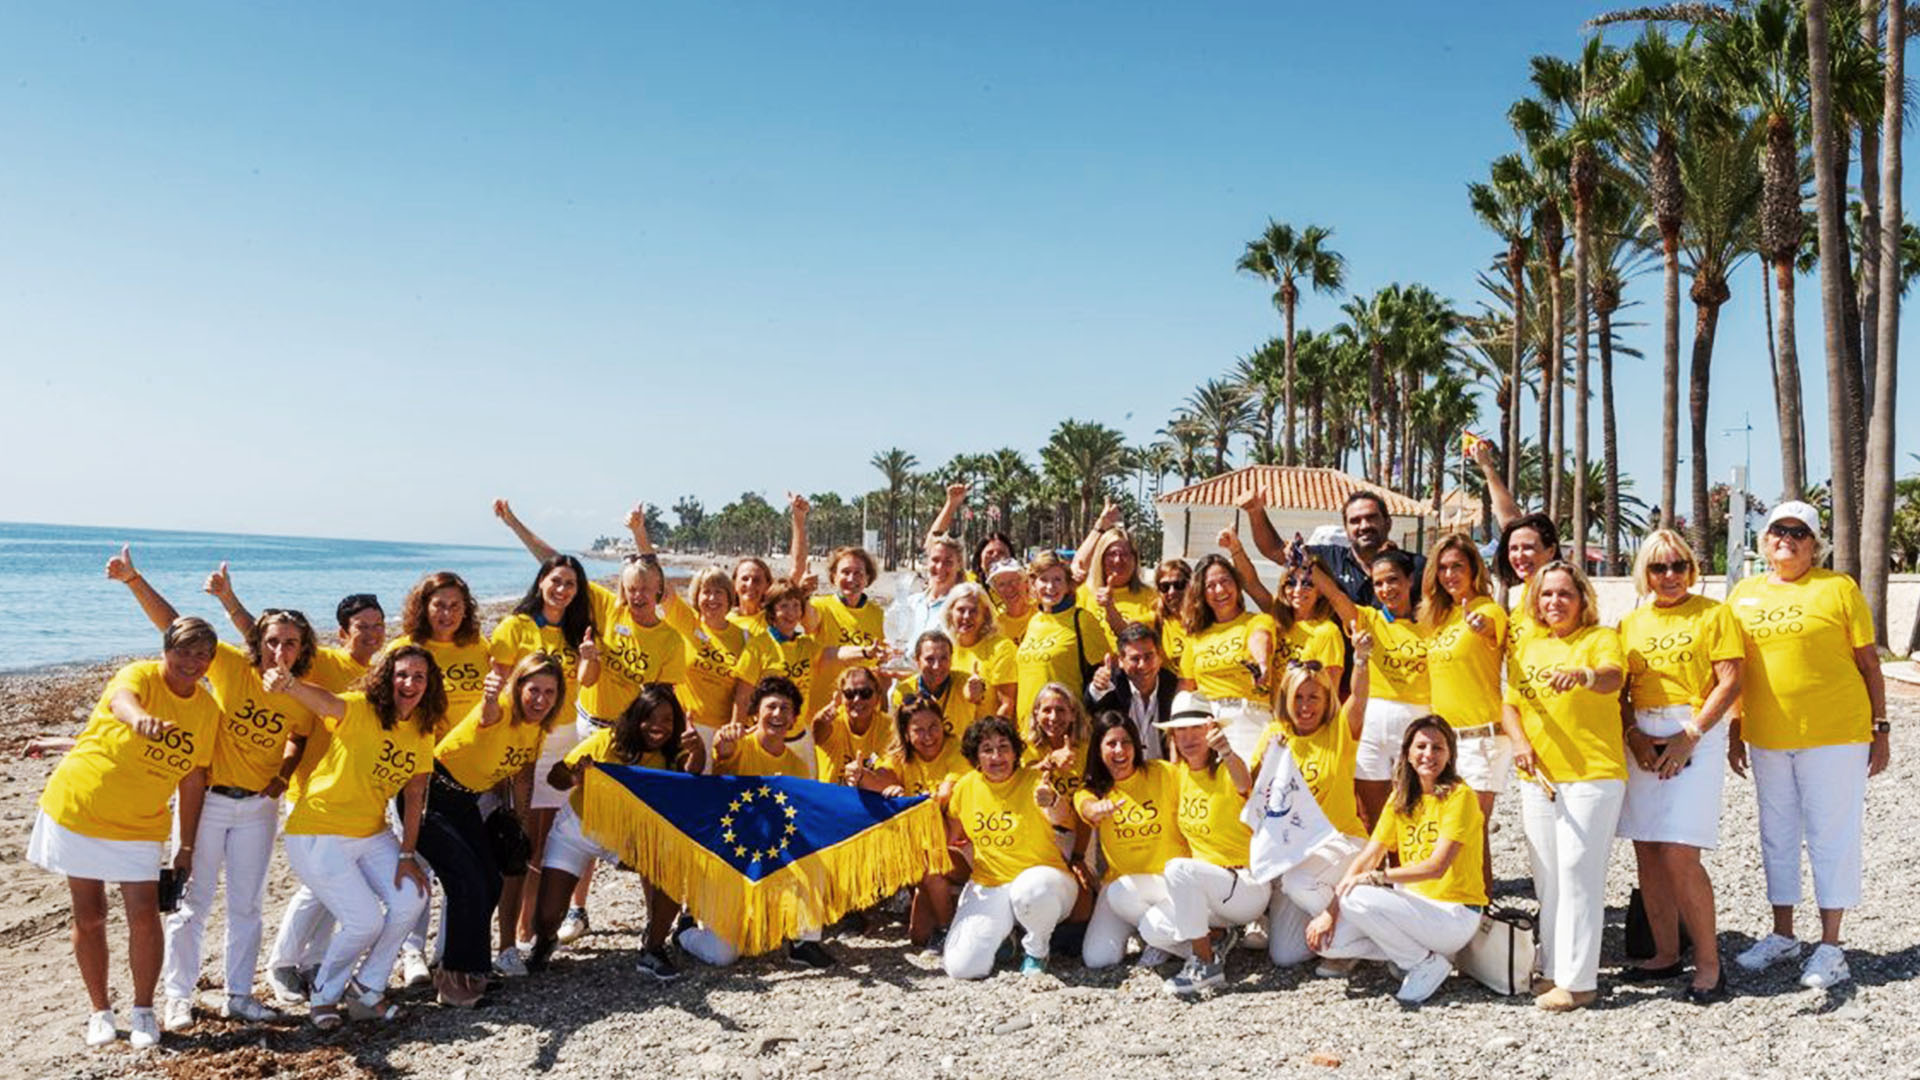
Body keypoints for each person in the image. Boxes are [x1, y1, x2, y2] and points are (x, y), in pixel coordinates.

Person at [104, 545, 313, 1029]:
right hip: (208, 800)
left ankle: (239, 995)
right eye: (273, 641)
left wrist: (283, 774)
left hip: (257, 810)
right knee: (191, 902)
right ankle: (178, 997)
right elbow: (177, 629)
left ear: (302, 649)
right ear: (259, 643)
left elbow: (299, 737)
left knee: (247, 904)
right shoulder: (232, 670)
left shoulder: (299, 697)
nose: (280, 650)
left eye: (290, 643)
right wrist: (135, 580)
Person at [30, 617, 220, 1050]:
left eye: (203, 655)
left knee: (144, 916)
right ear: (166, 651)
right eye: (184, 651)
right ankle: (99, 1011)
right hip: (81, 807)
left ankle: (143, 1011)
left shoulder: (206, 711)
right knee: (91, 914)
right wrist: (141, 721)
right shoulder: (140, 675)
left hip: (139, 822)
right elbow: (122, 702)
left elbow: (193, 780)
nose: (192, 662)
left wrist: (185, 846)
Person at [1725, 501, 1889, 991]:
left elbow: (1869, 664)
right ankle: (1783, 935)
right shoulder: (1744, 594)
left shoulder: (1838, 589)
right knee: (1776, 833)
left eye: (1800, 532)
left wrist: (1880, 728)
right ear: (1765, 539)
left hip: (1835, 735)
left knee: (1829, 834)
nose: (1788, 539)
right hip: (1768, 737)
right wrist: (1735, 729)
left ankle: (1831, 945)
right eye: (1779, 529)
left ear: (1815, 545)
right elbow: (1731, 670)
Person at [268, 646, 442, 1028]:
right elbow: (324, 701)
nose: (409, 683)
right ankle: (324, 996)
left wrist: (407, 854)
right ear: (386, 678)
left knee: (413, 897)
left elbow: (415, 798)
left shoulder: (422, 730)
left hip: (371, 832)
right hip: (319, 831)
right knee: (364, 922)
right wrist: (290, 684)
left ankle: (366, 989)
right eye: (401, 674)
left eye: (418, 677)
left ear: (429, 685)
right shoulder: (360, 709)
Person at [1617, 529, 1743, 1003]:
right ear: (1644, 572)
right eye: (1658, 567)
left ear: (1692, 568)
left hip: (1694, 731)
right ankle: (1665, 953)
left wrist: (1689, 736)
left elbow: (1729, 682)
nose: (1670, 576)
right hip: (1644, 737)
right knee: (1647, 848)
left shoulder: (1715, 614)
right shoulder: (1630, 623)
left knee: (1679, 852)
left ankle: (1710, 964)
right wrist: (1634, 736)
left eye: (1678, 566)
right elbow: (1622, 694)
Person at [1503, 561, 1621, 1011]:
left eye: (1564, 594)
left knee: (1578, 874)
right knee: (1548, 878)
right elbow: (1510, 703)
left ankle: (1581, 981)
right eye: (1546, 595)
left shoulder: (1600, 639)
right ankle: (1552, 968)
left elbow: (1613, 677)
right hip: (1538, 778)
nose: (1554, 602)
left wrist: (1584, 677)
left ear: (1582, 599)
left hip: (1592, 775)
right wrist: (1518, 743)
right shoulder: (1528, 647)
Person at [1306, 716, 1487, 1005]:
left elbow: (1436, 867)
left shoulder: (1459, 796)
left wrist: (1377, 878)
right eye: (1421, 746)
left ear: (1450, 754)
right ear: (1407, 753)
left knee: (1357, 896)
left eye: (1438, 748)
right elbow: (1369, 856)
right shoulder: (1401, 798)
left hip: (1453, 913)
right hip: (1418, 910)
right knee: (1331, 943)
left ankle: (1423, 962)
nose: (1429, 755)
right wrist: (1330, 911)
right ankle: (1411, 954)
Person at [264, 595, 392, 1004]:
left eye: (378, 625)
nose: (371, 634)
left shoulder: (378, 673)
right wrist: (230, 601)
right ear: (342, 633)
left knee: (333, 887)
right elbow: (278, 644)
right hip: (311, 792)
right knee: (319, 885)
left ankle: (314, 962)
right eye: (362, 627)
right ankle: (282, 963)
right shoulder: (324, 662)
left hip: (352, 795)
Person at [417, 652, 565, 1006]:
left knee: (491, 879)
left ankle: (471, 969)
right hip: (430, 796)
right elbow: (486, 714)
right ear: (518, 687)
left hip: (465, 802)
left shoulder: (537, 728)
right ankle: (452, 983)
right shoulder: (499, 709)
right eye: (533, 690)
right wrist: (488, 695)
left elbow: (523, 775)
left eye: (549, 692)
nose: (540, 700)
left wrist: (520, 823)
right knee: (467, 881)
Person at [534, 684, 705, 980]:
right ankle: (545, 941)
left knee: (673, 869)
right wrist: (576, 776)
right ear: (636, 717)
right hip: (579, 830)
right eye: (650, 718)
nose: (658, 727)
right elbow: (555, 777)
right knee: (548, 916)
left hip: (627, 838)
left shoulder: (671, 751)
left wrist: (698, 750)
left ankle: (652, 948)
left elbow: (690, 779)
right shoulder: (605, 742)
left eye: (667, 720)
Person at [486, 551, 600, 977]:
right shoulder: (514, 627)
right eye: (556, 581)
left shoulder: (577, 630)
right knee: (517, 838)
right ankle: (507, 939)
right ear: (541, 582)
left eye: (571, 584)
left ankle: (529, 931)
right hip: (521, 738)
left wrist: (588, 656)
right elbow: (497, 688)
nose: (562, 590)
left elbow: (586, 681)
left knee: (548, 838)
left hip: (564, 738)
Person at [680, 676, 835, 969]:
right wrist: (723, 744)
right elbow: (722, 757)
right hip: (727, 857)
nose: (777, 714)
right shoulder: (738, 745)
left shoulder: (797, 765)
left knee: (815, 857)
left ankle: (803, 942)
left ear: (793, 720)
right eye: (771, 707)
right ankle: (685, 930)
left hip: (767, 855)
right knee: (724, 955)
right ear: (755, 713)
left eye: (785, 709)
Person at [1252, 633, 1373, 970]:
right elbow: (1255, 794)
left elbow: (1360, 699)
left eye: (1313, 697)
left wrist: (1360, 659)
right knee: (1285, 955)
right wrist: (1266, 757)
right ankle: (1347, 933)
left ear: (1326, 699)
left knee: (1297, 883)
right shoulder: (1275, 734)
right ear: (1286, 699)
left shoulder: (1338, 730)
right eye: (1298, 697)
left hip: (1342, 842)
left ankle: (1347, 938)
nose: (1305, 706)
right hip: (1296, 853)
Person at [1417, 534, 1520, 897]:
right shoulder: (1437, 618)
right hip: (1445, 742)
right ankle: (1461, 907)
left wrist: (1479, 626)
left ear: (1474, 569)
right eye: (1442, 568)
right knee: (1451, 830)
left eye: (1457, 566)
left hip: (1482, 740)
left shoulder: (1488, 609)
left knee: (1470, 830)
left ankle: (1480, 909)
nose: (1449, 574)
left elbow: (1492, 631)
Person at [943, 715, 1081, 978]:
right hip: (990, 882)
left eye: (1004, 747)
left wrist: (1051, 801)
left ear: (1015, 751)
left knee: (1029, 890)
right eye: (987, 749)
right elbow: (953, 829)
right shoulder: (965, 787)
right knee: (963, 968)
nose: (997, 756)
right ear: (976, 757)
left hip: (1044, 883)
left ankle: (1037, 950)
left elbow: (1063, 818)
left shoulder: (1035, 781)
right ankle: (1006, 937)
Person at [1305, 545, 1429, 831]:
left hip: (1416, 724)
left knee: (1415, 810)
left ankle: (1409, 873)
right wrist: (1307, 564)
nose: (1386, 588)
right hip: (1372, 725)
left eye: (1393, 579)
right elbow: (1335, 596)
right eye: (1378, 583)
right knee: (1374, 816)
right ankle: (1379, 873)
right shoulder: (1367, 619)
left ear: (1410, 580)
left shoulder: (1431, 622)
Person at [1146, 695, 1261, 995]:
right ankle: (1218, 937)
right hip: (1208, 894)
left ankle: (1205, 962)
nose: (1187, 738)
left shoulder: (1227, 766)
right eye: (1179, 731)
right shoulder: (1180, 775)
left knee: (1178, 869)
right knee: (1151, 927)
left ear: (1210, 730)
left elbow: (1244, 782)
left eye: (1195, 729)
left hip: (1244, 884)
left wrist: (1225, 750)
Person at [1075, 713, 1187, 970]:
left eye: (1126, 742)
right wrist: (1097, 809)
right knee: (1098, 958)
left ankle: (1176, 942)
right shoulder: (1091, 791)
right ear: (1098, 749)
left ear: (1136, 745)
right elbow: (1087, 808)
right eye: (1111, 743)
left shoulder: (1163, 773)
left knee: (1120, 893)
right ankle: (1164, 938)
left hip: (1168, 883)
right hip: (1122, 888)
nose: (1120, 750)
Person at [861, 695, 969, 949]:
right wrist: (860, 776)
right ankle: (944, 907)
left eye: (934, 727)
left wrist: (906, 797)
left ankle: (947, 931)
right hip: (928, 849)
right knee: (918, 938)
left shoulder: (956, 750)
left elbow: (944, 796)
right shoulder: (901, 756)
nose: (929, 736)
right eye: (918, 730)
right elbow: (880, 780)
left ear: (944, 725)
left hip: (961, 847)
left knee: (930, 866)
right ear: (907, 735)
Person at [1237, 489, 1425, 609]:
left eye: (1371, 518)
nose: (1364, 525)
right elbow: (1275, 550)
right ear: (1346, 529)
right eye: (1355, 521)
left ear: (1388, 523)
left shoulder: (1416, 567)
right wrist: (1256, 512)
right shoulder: (1326, 559)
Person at [1175, 553, 1276, 762]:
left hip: (1251, 719)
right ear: (1201, 593)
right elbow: (1185, 690)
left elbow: (1260, 638)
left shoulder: (1257, 621)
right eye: (1210, 585)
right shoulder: (1195, 637)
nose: (1219, 590)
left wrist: (1262, 664)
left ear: (1237, 585)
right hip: (1209, 724)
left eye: (1225, 581)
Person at [387, 572, 493, 736]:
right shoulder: (403, 648)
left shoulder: (480, 645)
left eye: (454, 606)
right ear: (424, 608)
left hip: (475, 749)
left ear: (465, 609)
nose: (447, 614)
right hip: (425, 750)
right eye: (439, 605)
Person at [1013, 551, 1107, 719]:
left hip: (1065, 727)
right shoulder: (1033, 621)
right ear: (1033, 583)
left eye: (1057, 580)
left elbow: (1105, 670)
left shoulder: (1082, 619)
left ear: (1067, 585)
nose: (1050, 587)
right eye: (1044, 579)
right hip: (1028, 731)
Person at [1085, 623, 1180, 761]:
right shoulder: (1112, 683)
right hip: (1124, 772)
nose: (1142, 665)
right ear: (1121, 661)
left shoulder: (1173, 686)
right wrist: (1096, 688)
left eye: (1148, 656)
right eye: (1135, 659)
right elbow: (1089, 705)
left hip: (1165, 773)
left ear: (1159, 657)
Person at [1073, 502, 1160, 640]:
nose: (1118, 560)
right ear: (1100, 558)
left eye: (1125, 554)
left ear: (1135, 559)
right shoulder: (1083, 594)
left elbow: (1130, 637)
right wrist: (1100, 527)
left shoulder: (1151, 597)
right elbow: (1077, 565)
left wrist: (1109, 607)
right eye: (1111, 554)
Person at [886, 630, 987, 739]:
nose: (936, 666)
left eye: (943, 658)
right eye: (930, 659)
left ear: (951, 660)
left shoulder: (966, 683)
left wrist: (977, 695)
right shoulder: (904, 692)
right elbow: (900, 737)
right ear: (917, 660)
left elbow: (980, 701)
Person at [940, 582, 1018, 720]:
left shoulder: (1001, 648)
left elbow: (1007, 706)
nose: (966, 617)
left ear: (985, 615)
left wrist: (989, 737)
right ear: (950, 612)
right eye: (961, 610)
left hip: (984, 737)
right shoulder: (945, 648)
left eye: (973, 611)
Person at [815, 665, 894, 784]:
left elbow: (889, 775)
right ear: (841, 696)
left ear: (877, 696)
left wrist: (862, 775)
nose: (857, 699)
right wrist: (822, 719)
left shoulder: (889, 727)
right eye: (850, 693)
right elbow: (818, 735)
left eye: (865, 693)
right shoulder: (833, 722)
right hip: (831, 798)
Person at [985, 558, 1036, 644]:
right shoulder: (995, 626)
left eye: (1014, 581)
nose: (1009, 588)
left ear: (1025, 582)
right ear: (995, 591)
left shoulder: (1043, 612)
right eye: (1001, 584)